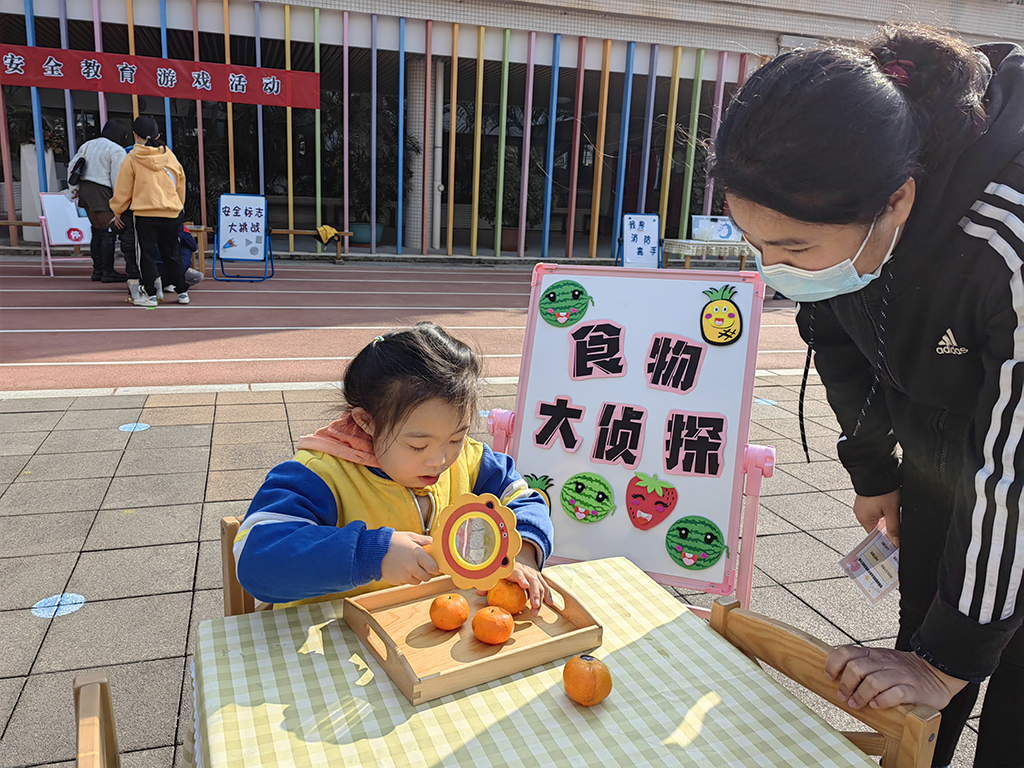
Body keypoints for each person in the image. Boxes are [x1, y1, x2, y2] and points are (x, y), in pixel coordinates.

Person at [712, 24, 1023, 767]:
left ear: (898, 202)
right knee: (921, 634)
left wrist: (946, 662)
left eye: (792, 252)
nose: (773, 273)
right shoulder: (846, 222)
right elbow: (839, 338)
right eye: (754, 245)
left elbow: (1013, 473)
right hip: (938, 435)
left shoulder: (1005, 248)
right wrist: (876, 469)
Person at [234, 322, 556, 613]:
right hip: (331, 643)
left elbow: (523, 499)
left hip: (426, 633)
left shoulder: (472, 461)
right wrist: (372, 554)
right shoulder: (320, 475)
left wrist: (523, 552)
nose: (440, 460)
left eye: (456, 437)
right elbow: (255, 558)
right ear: (367, 422)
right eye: (418, 445)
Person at [109, 116, 190, 308]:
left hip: (145, 214)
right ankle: (182, 291)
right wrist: (178, 205)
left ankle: (151, 294)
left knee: (146, 254)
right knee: (172, 252)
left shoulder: (131, 158)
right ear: (158, 135)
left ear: (135, 135)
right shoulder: (170, 156)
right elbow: (181, 184)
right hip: (171, 212)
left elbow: (123, 189)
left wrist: (117, 211)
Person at [66, 120, 131, 282]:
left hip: (86, 190)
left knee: (96, 230)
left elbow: (72, 165)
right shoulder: (116, 150)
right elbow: (118, 177)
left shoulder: (88, 145)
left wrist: (73, 188)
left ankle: (98, 270)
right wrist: (120, 202)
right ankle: (108, 271)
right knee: (108, 231)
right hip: (102, 190)